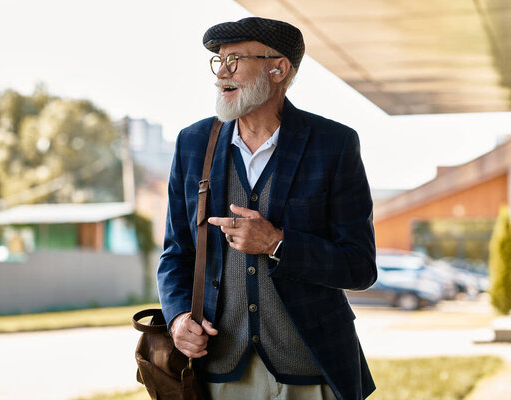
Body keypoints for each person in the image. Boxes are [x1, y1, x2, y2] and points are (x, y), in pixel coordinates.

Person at [157, 16, 377, 400]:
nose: (221, 72)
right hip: (220, 370)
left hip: (311, 370)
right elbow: (176, 253)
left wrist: (277, 243)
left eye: (235, 60)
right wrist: (177, 319)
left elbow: (360, 266)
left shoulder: (334, 144)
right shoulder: (192, 144)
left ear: (279, 68)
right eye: (218, 61)